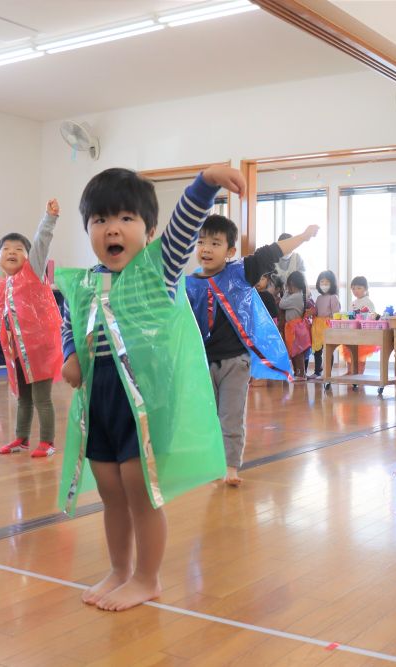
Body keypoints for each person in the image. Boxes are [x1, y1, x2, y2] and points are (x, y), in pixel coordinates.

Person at [57, 164, 245, 611]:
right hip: (100, 396)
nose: (112, 229)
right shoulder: (88, 281)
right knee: (109, 488)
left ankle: (147, 577)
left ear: (150, 229)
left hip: (145, 401)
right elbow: (71, 317)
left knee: (139, 488)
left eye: (125, 218)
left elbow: (185, 223)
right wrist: (70, 353)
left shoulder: (157, 270)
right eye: (100, 220)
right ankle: (120, 570)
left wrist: (206, 182)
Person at [186, 215, 317, 486]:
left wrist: (302, 237)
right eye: (201, 242)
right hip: (202, 362)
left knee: (230, 416)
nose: (206, 249)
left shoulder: (240, 273)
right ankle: (212, 464)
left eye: (215, 243)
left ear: (230, 251)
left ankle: (230, 467)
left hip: (235, 361)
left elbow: (270, 253)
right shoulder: (187, 284)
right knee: (206, 418)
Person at [0, 198, 63, 458]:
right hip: (17, 353)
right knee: (23, 398)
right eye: (6, 249)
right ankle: (21, 438)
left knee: (42, 397)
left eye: (19, 249)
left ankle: (48, 441)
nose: (12, 252)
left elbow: (41, 242)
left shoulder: (33, 273)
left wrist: (48, 219)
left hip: (40, 349)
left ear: (30, 258)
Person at [279, 270, 311, 379]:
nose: (288, 288)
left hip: (295, 328)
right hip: (295, 327)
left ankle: (301, 374)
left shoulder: (296, 296)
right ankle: (298, 373)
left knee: (297, 352)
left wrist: (286, 292)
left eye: (288, 286)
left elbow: (282, 304)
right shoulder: (300, 294)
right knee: (295, 352)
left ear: (292, 285)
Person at [310, 270, 340, 378]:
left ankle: (328, 373)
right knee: (317, 350)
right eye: (322, 282)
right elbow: (317, 312)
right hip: (318, 326)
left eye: (327, 282)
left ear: (332, 284)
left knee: (328, 350)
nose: (324, 285)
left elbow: (336, 314)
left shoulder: (333, 297)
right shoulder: (318, 298)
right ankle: (317, 371)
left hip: (328, 326)